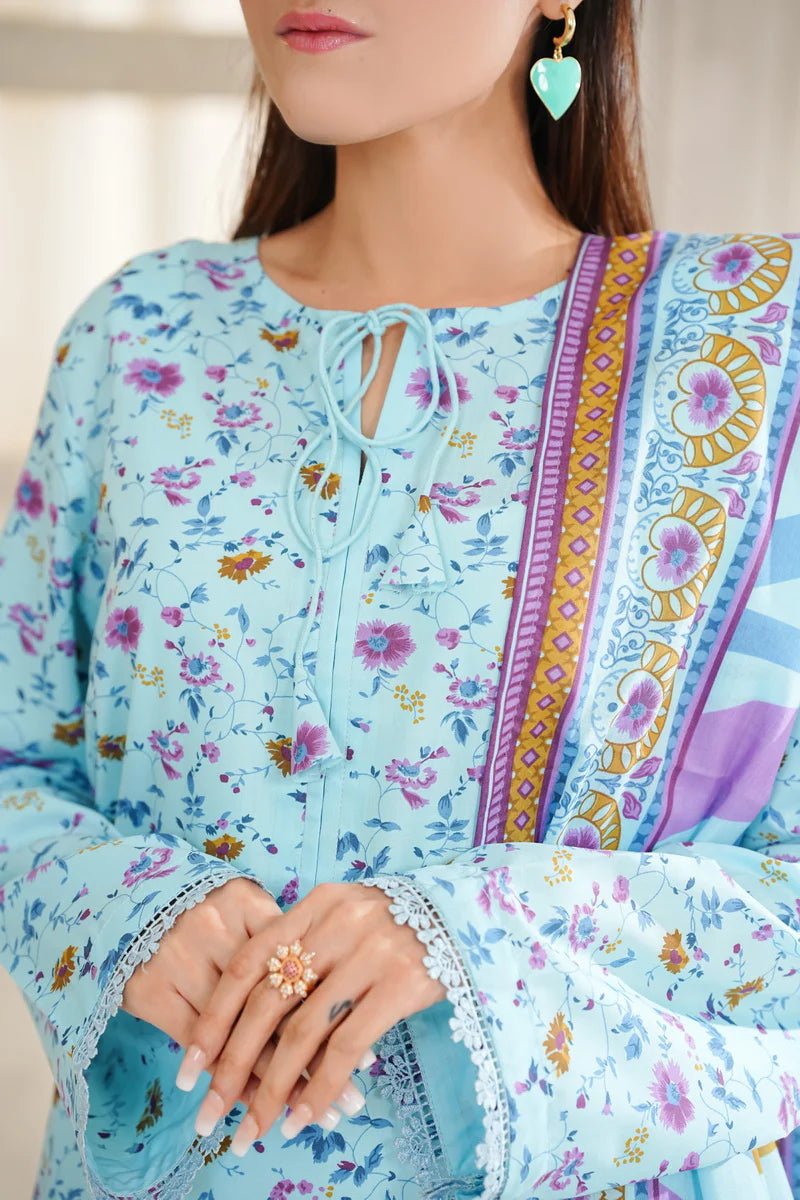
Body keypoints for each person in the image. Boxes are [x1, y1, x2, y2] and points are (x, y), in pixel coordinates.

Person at [1, 1, 799, 1197]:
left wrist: (466, 933)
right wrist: (123, 910)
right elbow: (18, 763)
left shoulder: (747, 351)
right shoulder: (138, 335)